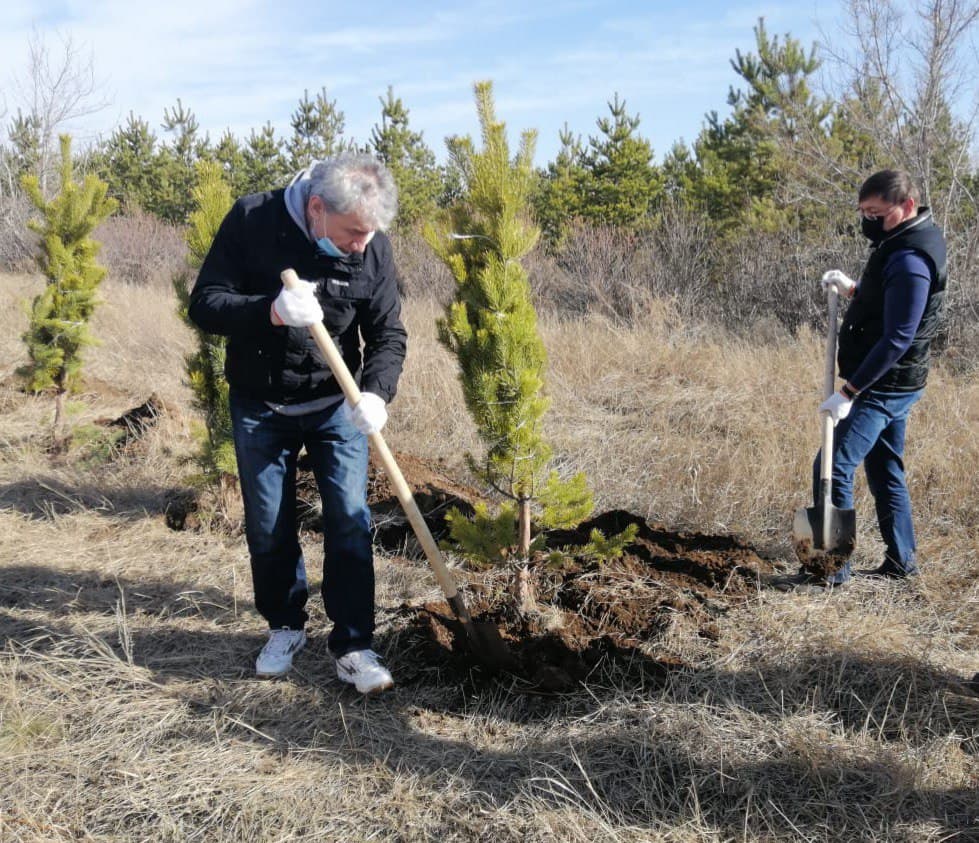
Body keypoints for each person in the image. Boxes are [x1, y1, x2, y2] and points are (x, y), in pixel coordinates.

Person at [189, 153, 407, 693]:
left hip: (337, 404)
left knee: (350, 520)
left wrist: (376, 394)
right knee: (269, 523)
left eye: (370, 233)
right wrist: (270, 311)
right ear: (316, 209)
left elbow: (388, 335)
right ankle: (286, 625)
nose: (361, 244)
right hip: (261, 405)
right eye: (353, 232)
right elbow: (205, 305)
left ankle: (354, 645)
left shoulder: (373, 246)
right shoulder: (251, 220)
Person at [778, 169, 948, 593]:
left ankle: (829, 572)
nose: (868, 220)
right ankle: (901, 562)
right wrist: (853, 288)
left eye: (876, 212)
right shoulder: (900, 240)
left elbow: (899, 335)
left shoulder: (911, 259)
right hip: (894, 381)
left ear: (906, 205)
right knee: (885, 467)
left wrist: (849, 392)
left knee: (833, 465)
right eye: (863, 212)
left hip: (883, 385)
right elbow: (886, 305)